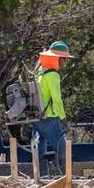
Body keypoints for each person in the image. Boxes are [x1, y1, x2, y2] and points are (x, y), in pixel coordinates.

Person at [32, 41, 74, 173]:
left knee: (38, 149)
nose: (65, 62)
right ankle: (65, 176)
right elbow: (57, 100)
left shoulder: (40, 71)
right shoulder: (53, 75)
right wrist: (64, 120)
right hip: (49, 118)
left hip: (37, 117)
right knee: (61, 148)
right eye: (64, 59)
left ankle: (35, 176)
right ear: (58, 59)